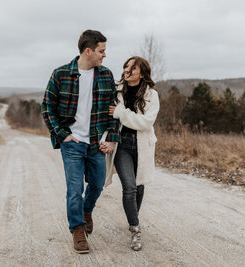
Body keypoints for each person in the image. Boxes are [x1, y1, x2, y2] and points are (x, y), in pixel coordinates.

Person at [41, 29, 120, 254]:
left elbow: (114, 111)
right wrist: (63, 135)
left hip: (96, 142)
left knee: (97, 184)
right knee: (74, 188)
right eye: (101, 51)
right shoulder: (61, 74)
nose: (104, 55)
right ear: (88, 51)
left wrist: (112, 139)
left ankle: (87, 211)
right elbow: (47, 107)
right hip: (72, 143)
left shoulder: (105, 75)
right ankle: (77, 229)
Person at [101, 56, 159, 251]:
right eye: (126, 66)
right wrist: (106, 137)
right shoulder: (116, 90)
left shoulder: (152, 95)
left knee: (140, 186)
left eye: (132, 68)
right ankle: (135, 229)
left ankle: (132, 218)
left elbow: (144, 123)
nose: (127, 70)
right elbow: (109, 118)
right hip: (122, 145)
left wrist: (121, 113)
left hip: (142, 145)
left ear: (141, 73)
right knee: (130, 187)